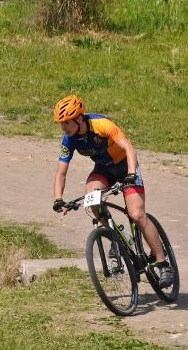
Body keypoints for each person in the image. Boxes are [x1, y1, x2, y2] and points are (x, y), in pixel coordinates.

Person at [51, 94, 174, 288]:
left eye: (66, 122)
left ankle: (163, 263)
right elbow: (61, 173)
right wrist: (59, 199)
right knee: (92, 199)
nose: (63, 127)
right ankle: (115, 237)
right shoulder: (69, 140)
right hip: (103, 170)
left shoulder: (103, 125)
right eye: (61, 123)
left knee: (137, 215)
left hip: (126, 167)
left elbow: (130, 149)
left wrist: (131, 175)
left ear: (79, 119)